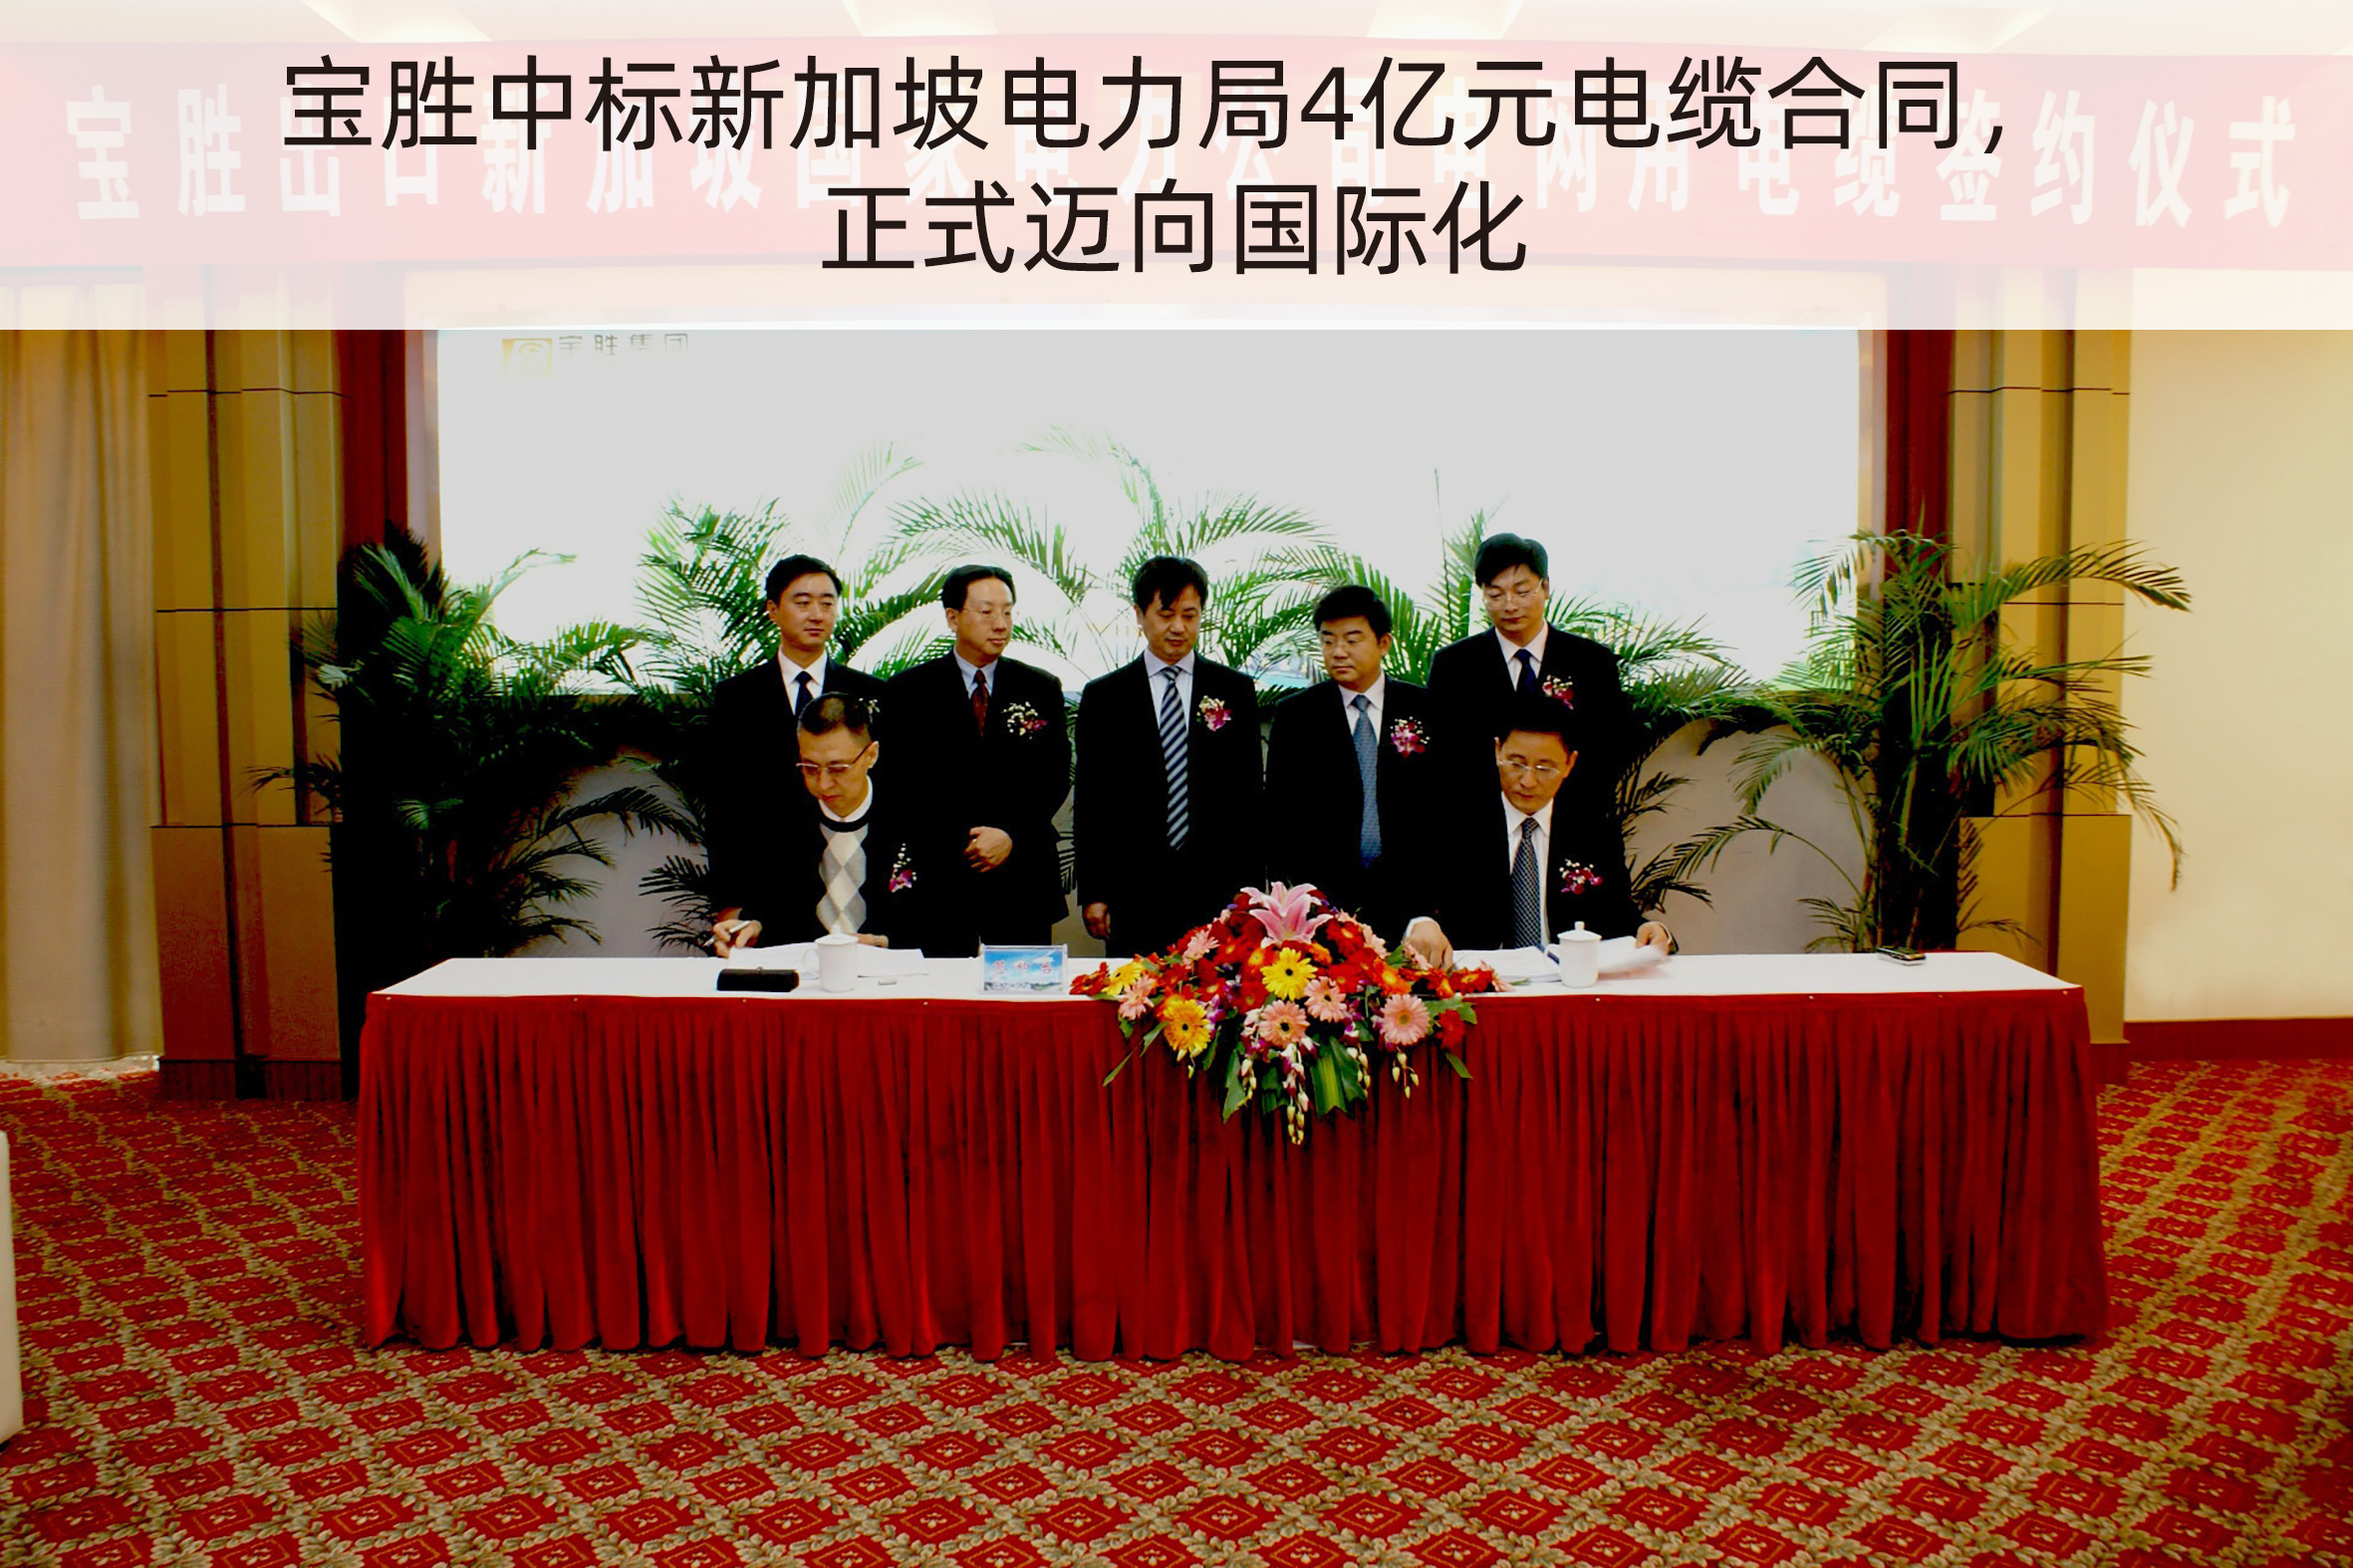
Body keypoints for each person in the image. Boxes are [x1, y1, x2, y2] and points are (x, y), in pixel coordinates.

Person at [1075, 556, 1262, 959]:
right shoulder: (1105, 697)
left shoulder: (1235, 691)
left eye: (1189, 615)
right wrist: (1095, 892)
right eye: (1166, 614)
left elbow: (1249, 797)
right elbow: (1092, 800)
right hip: (1134, 890)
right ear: (1139, 615)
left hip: (1217, 890)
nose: (1178, 627)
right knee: (1136, 995)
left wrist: (1252, 893)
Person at [881, 565, 1071, 953]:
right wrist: (966, 840)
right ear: (953, 618)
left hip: (1022, 873)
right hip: (940, 877)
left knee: (1024, 987)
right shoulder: (909, 690)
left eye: (1007, 611)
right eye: (986, 612)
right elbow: (899, 783)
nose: (1000, 623)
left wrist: (1010, 834)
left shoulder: (1040, 687)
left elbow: (1053, 776)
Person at [1402, 694, 1672, 968]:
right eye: (1516, 763)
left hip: (1567, 980)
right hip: (1479, 978)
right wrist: (1421, 922)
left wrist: (1650, 931)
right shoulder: (1455, 822)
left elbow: (1618, 914)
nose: (1528, 781)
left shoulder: (1592, 829)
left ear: (1569, 763)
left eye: (1545, 768)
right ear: (1497, 751)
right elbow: (1410, 894)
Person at [1426, 532, 1635, 852]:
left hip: (1574, 825)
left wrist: (1552, 798)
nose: (1510, 605)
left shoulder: (1591, 662)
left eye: (1522, 592)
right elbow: (1444, 753)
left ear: (1545, 587)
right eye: (1495, 595)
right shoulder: (1455, 665)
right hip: (1480, 832)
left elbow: (1611, 746)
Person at [706, 555, 888, 917]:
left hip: (853, 880)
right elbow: (724, 806)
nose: (817, 615)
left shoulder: (871, 693)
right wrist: (729, 903)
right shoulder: (737, 697)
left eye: (827, 603)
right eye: (803, 603)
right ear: (773, 610)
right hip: (768, 885)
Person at [1264, 585, 1447, 941]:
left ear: (1383, 643)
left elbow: (1444, 809)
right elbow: (1281, 816)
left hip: (1413, 904)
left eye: (1352, 640)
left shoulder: (1427, 710)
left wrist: (1431, 906)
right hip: (1323, 907)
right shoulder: (1296, 715)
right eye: (1328, 640)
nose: (1338, 652)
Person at [709, 693, 940, 953]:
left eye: (838, 768)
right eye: (809, 767)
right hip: (803, 970)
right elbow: (771, 908)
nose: (823, 783)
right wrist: (750, 929)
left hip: (892, 971)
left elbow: (947, 925)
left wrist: (879, 943)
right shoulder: (777, 819)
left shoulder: (917, 816)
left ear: (871, 755)